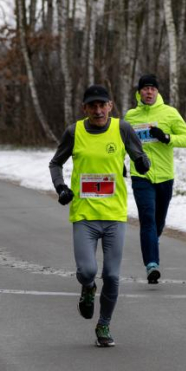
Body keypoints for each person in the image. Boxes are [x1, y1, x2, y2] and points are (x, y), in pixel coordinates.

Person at [49, 84, 150, 347]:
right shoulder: (75, 132)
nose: (97, 110)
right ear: (84, 108)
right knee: (87, 270)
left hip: (115, 215)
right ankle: (88, 287)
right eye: (92, 106)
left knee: (113, 276)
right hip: (84, 215)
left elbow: (141, 156)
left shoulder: (122, 129)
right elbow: (55, 163)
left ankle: (104, 325)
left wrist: (142, 162)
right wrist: (61, 187)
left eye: (101, 105)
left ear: (110, 105)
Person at [124, 74, 186, 284]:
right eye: (145, 88)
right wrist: (120, 163)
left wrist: (166, 137)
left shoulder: (170, 113)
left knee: (158, 222)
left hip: (164, 176)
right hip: (141, 176)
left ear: (157, 91)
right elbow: (123, 143)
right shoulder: (131, 116)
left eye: (152, 88)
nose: (148, 92)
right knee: (147, 219)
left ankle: (151, 242)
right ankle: (152, 265)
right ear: (139, 92)